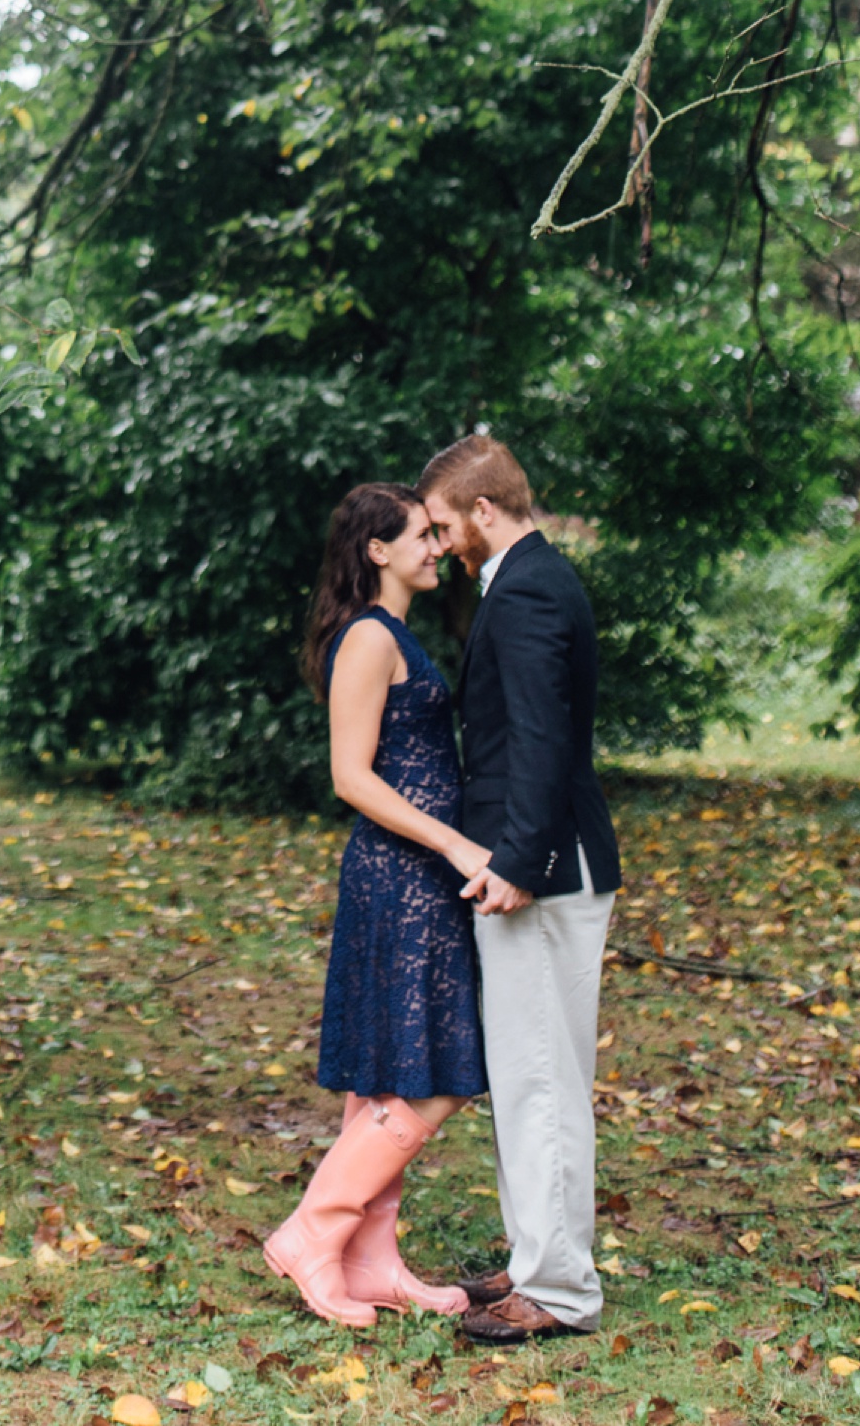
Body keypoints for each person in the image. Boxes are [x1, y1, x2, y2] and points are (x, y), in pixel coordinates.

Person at [263, 483, 488, 1330]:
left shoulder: (398, 635)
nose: (439, 547)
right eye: (423, 535)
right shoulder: (366, 636)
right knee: (432, 1073)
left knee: (392, 1069)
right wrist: (455, 843)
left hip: (417, 877)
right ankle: (311, 1236)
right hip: (400, 878)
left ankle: (369, 1259)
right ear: (377, 551)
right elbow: (350, 777)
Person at [418, 433, 621, 1346]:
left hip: (538, 873)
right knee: (530, 1076)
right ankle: (538, 1257)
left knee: (542, 1080)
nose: (443, 543)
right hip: (530, 864)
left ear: (485, 512)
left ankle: (561, 1291)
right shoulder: (527, 579)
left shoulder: (531, 586)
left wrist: (517, 866)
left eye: (445, 525)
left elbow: (542, 739)